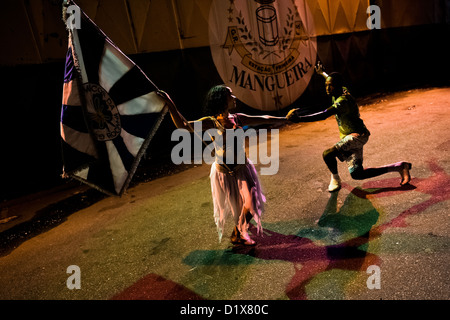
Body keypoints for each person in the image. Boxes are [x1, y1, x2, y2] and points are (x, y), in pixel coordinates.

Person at [158, 85, 287, 245]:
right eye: (230, 95)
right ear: (222, 100)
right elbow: (183, 126)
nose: (234, 97)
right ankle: (239, 233)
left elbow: (264, 119)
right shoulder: (211, 122)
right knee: (237, 206)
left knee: (252, 201)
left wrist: (285, 118)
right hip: (225, 172)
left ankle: (239, 231)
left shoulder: (238, 118)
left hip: (242, 167)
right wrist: (171, 104)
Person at [287, 63, 412, 192]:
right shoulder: (341, 89)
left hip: (357, 136)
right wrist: (323, 74)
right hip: (353, 136)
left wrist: (299, 119)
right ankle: (400, 166)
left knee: (327, 154)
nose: (327, 88)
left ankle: (335, 178)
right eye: (326, 85)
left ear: (338, 86)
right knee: (357, 174)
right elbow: (333, 80)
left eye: (330, 85)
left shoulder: (343, 101)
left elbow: (324, 114)